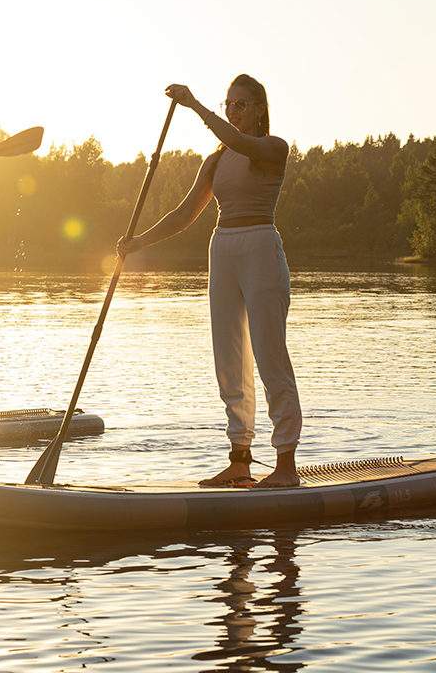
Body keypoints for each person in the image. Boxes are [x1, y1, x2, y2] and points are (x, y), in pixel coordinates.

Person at [118, 75, 302, 487]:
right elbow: (184, 215)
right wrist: (137, 243)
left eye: (240, 104)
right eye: (228, 104)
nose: (232, 111)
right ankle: (240, 460)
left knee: (270, 357)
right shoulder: (216, 159)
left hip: (259, 247)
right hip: (222, 249)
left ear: (259, 109)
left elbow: (239, 141)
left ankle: (286, 465)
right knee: (229, 361)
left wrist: (196, 106)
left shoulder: (272, 148)